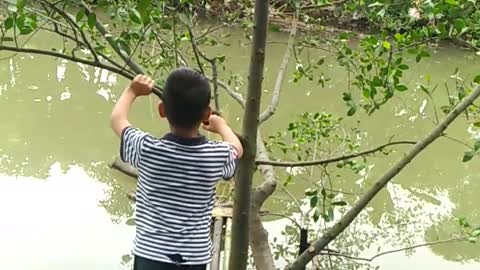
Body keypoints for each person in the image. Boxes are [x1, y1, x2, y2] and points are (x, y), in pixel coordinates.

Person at [110, 68, 243, 270]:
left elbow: (117, 119)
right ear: (206, 114)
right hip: (194, 257)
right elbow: (237, 149)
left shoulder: (148, 149)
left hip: (151, 254)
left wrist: (132, 91)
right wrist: (222, 126)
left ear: (162, 110)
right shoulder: (216, 155)